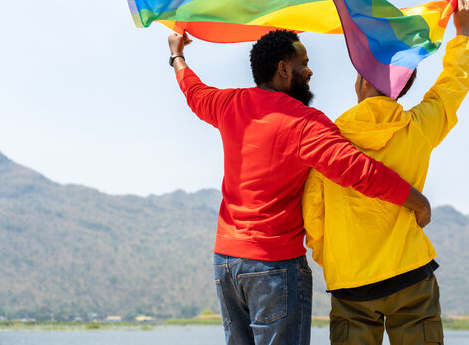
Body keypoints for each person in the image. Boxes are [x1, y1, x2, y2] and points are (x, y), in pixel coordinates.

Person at [167, 29, 431, 345]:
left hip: (226, 263)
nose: (310, 71)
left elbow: (193, 91)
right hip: (274, 267)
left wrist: (177, 56)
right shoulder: (305, 123)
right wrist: (417, 201)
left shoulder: (228, 104)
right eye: (303, 63)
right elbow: (359, 171)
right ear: (283, 69)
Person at [302, 0, 469, 345]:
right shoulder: (419, 127)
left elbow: (313, 213)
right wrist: (463, 35)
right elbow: (451, 88)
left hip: (351, 281)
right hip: (410, 274)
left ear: (362, 82)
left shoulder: (331, 139)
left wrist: (332, 259)